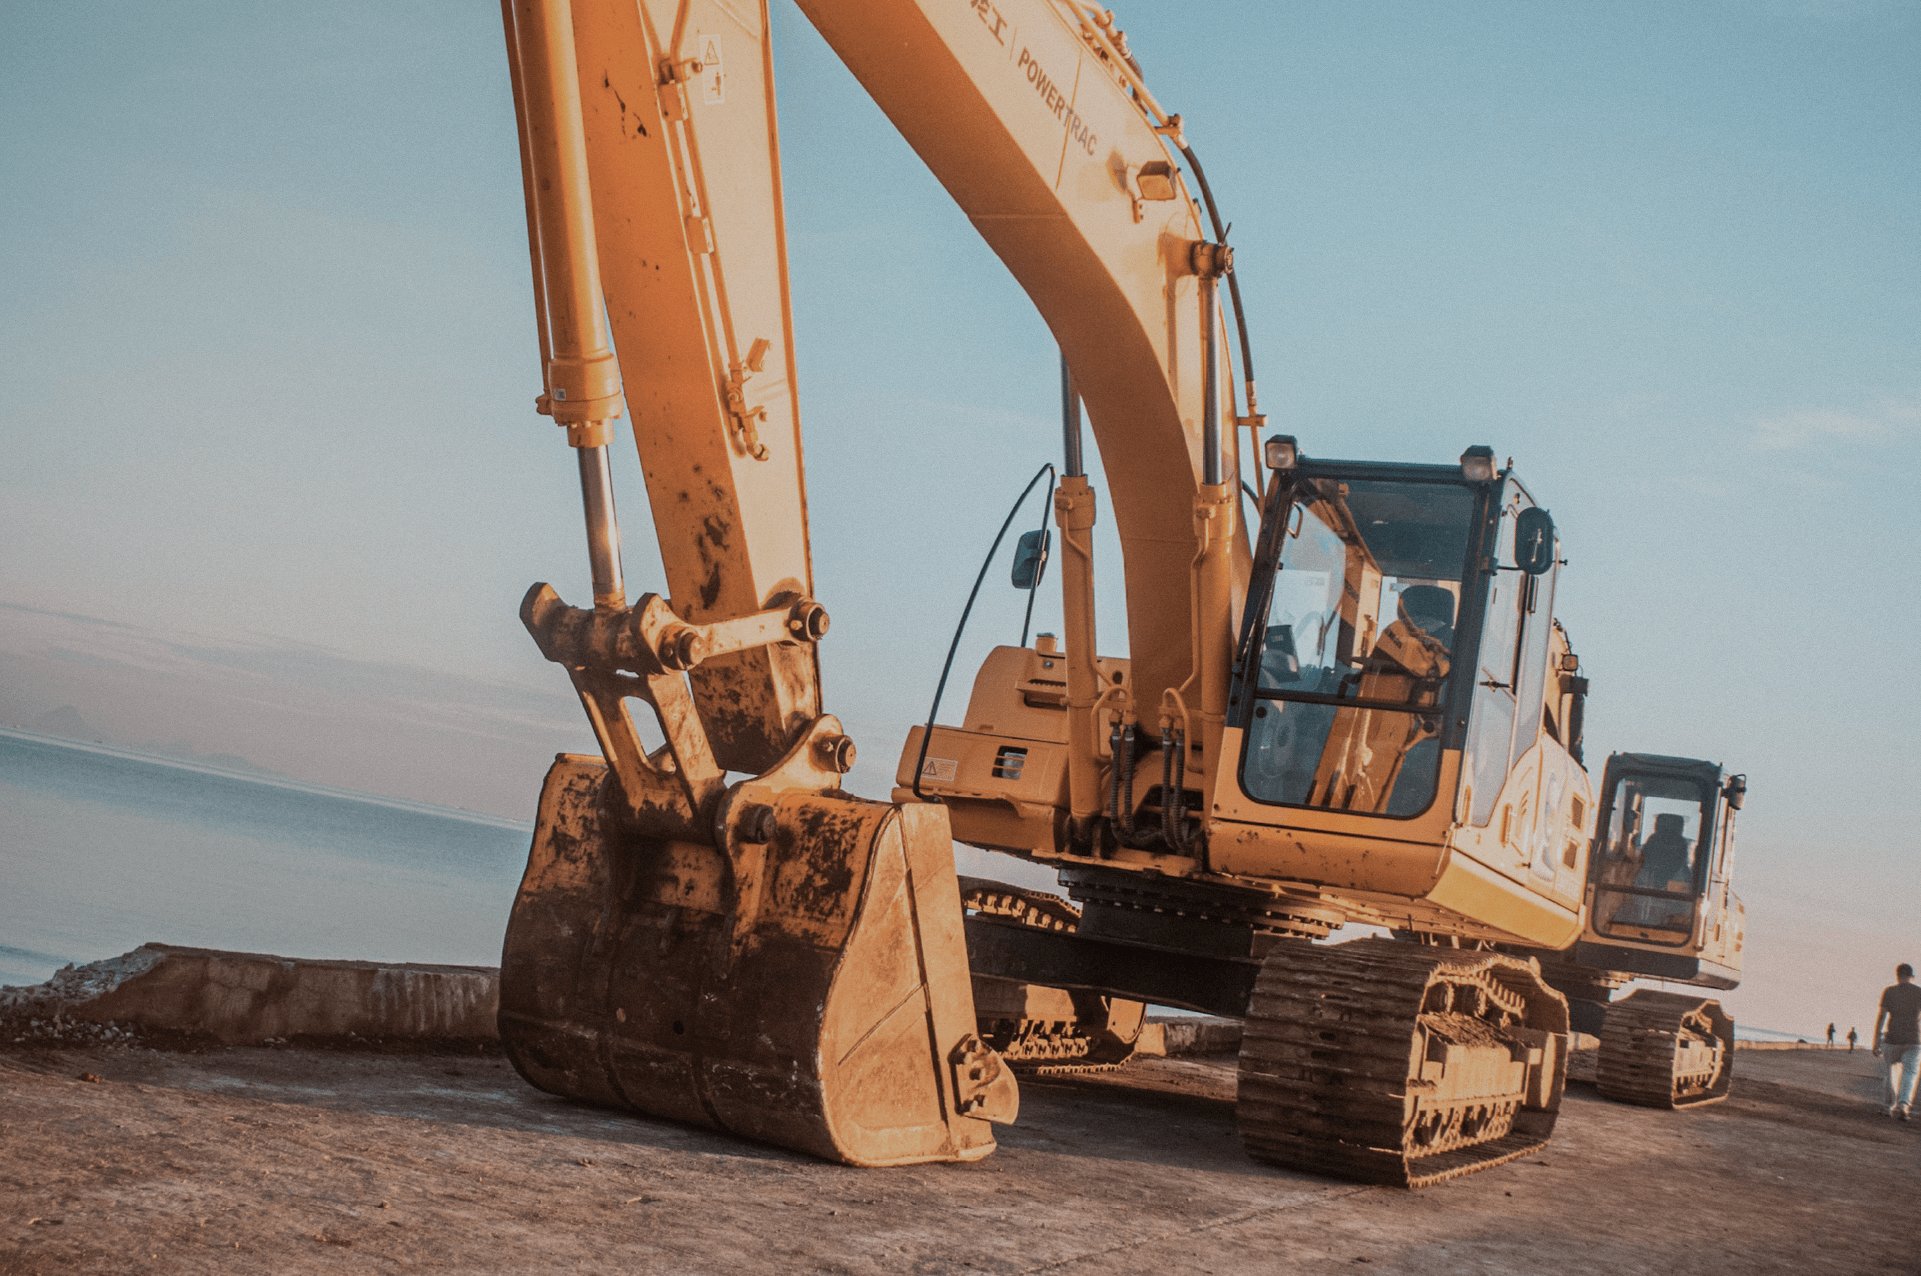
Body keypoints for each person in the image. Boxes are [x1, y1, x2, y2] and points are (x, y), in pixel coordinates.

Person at [1873, 963, 1921, 1119]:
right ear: (1912, 976)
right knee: (1910, 1073)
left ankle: (1887, 1107)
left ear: (1897, 975)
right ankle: (1903, 1106)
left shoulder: (1889, 991)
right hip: (1913, 1039)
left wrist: (1876, 1039)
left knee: (1890, 1073)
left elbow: (1882, 1015)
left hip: (1892, 1038)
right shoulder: (1919, 992)